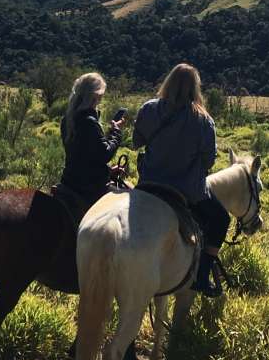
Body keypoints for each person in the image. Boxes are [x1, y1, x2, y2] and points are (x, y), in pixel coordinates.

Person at [133, 63, 228, 297]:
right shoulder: (204, 120)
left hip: (148, 186)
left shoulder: (148, 109)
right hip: (185, 191)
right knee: (220, 218)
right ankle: (203, 276)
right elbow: (208, 161)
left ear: (169, 82)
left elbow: (137, 142)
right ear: (195, 88)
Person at [59, 73, 126, 204]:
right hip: (89, 186)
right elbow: (105, 154)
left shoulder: (67, 119)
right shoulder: (89, 121)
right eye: (101, 97)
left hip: (70, 180)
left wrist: (108, 171)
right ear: (95, 96)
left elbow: (82, 155)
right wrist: (116, 132)